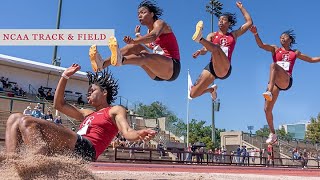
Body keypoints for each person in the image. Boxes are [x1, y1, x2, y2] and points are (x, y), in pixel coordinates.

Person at [5, 63, 156, 161]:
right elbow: (59, 104)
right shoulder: (87, 113)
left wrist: (138, 134)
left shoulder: (115, 110)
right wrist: (64, 77)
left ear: (104, 93)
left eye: (92, 90)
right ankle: (12, 162)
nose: (88, 94)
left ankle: (40, 163)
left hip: (87, 149)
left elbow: (127, 131)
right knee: (14, 118)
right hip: (72, 145)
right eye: (88, 92)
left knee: (27, 121)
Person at [249, 25, 320, 144]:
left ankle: (269, 91)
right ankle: (273, 133)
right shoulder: (275, 49)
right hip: (275, 83)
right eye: (280, 37)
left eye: (284, 37)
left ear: (290, 40)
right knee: (266, 109)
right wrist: (255, 34)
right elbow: (261, 45)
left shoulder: (295, 53)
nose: (281, 39)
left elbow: (312, 59)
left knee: (273, 66)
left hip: (286, 80)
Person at [89, 0, 180, 82]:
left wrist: (134, 40)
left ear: (152, 14)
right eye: (138, 14)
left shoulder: (160, 23)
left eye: (143, 12)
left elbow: (153, 36)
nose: (139, 15)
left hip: (172, 67)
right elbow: (150, 44)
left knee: (144, 56)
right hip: (156, 72)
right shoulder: (148, 31)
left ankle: (121, 60)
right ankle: (102, 64)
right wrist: (137, 36)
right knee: (133, 47)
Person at [189, 1, 252, 100]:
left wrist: (241, 7)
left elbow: (249, 22)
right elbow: (206, 50)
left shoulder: (233, 35)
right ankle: (211, 90)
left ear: (229, 23)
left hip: (224, 68)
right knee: (192, 94)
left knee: (216, 47)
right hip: (212, 66)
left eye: (223, 20)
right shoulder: (212, 35)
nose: (220, 21)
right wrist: (200, 52)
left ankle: (200, 39)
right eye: (219, 20)